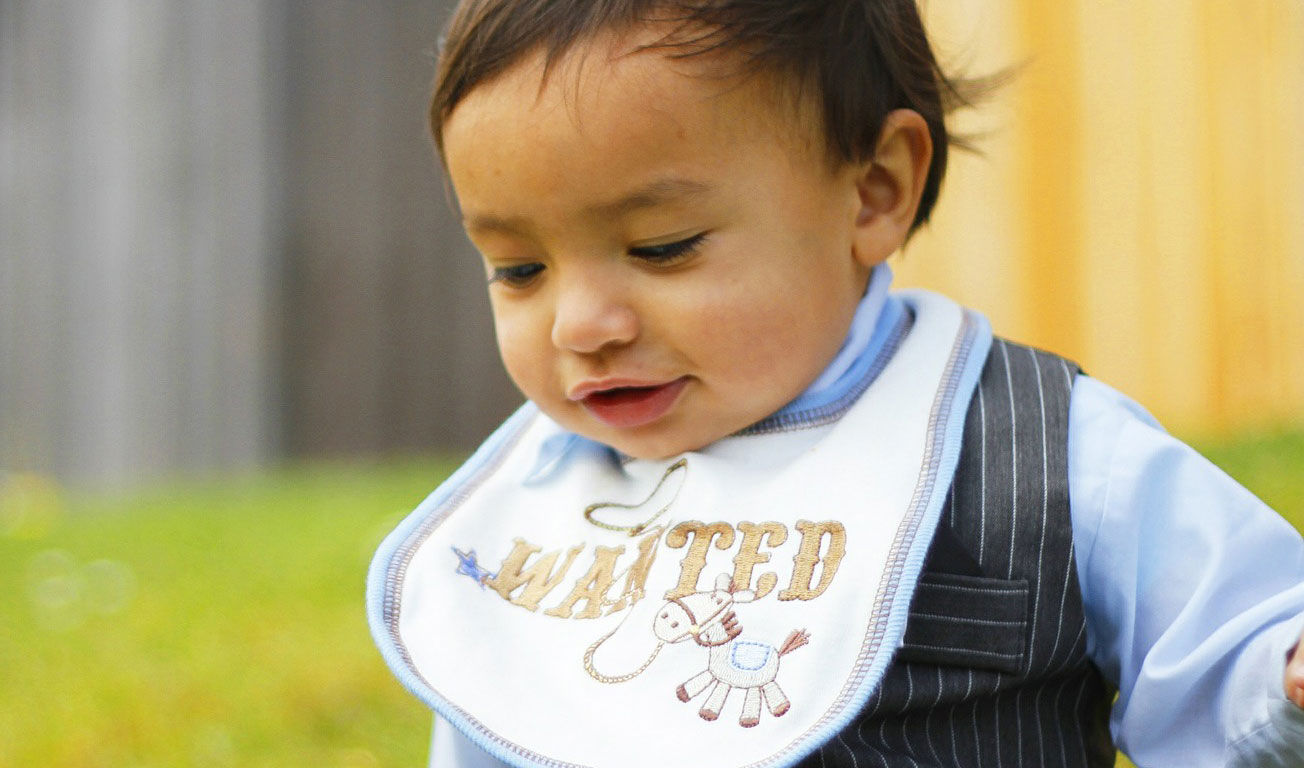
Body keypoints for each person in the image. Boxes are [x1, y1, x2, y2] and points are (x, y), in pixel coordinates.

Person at [363, 1, 1304, 766]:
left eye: (661, 247)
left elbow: (1239, 657)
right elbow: (500, 721)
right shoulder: (535, 514)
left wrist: (1282, 674)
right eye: (518, 268)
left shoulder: (1043, 451)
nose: (579, 325)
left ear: (874, 190)